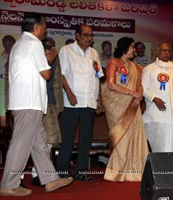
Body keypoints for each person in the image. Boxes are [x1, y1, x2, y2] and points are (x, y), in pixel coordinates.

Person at [0, 12, 73, 196]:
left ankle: (51, 179)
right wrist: (50, 60)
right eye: (45, 28)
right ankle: (9, 184)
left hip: (27, 102)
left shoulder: (20, 43)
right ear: (37, 27)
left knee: (39, 142)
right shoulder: (34, 44)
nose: (45, 31)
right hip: (29, 102)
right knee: (21, 144)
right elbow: (46, 74)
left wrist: (46, 61)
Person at [56, 24, 104, 182]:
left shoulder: (94, 53)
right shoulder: (67, 50)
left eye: (91, 35)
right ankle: (62, 169)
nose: (89, 38)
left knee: (86, 139)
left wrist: (99, 100)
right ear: (77, 35)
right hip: (72, 102)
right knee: (68, 138)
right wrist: (69, 93)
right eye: (85, 35)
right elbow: (61, 75)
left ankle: (81, 171)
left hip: (89, 101)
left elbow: (97, 77)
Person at [102, 37, 149, 181]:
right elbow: (110, 84)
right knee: (120, 136)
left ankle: (134, 171)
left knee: (134, 135)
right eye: (132, 47)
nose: (134, 50)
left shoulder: (136, 67)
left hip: (133, 105)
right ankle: (117, 171)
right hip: (116, 104)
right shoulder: (113, 63)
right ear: (125, 48)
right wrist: (131, 93)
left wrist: (139, 94)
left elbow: (140, 84)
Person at [25, 37, 64, 187]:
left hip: (49, 103)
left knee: (48, 142)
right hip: (30, 103)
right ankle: (18, 177)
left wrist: (58, 106)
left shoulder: (54, 56)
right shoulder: (29, 54)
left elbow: (56, 81)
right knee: (25, 142)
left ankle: (39, 175)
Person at [142, 42, 173, 152]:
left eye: (168, 51)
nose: (167, 53)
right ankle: (161, 168)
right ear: (157, 52)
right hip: (156, 114)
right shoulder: (149, 69)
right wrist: (154, 98)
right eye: (164, 51)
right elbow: (143, 89)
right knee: (160, 146)